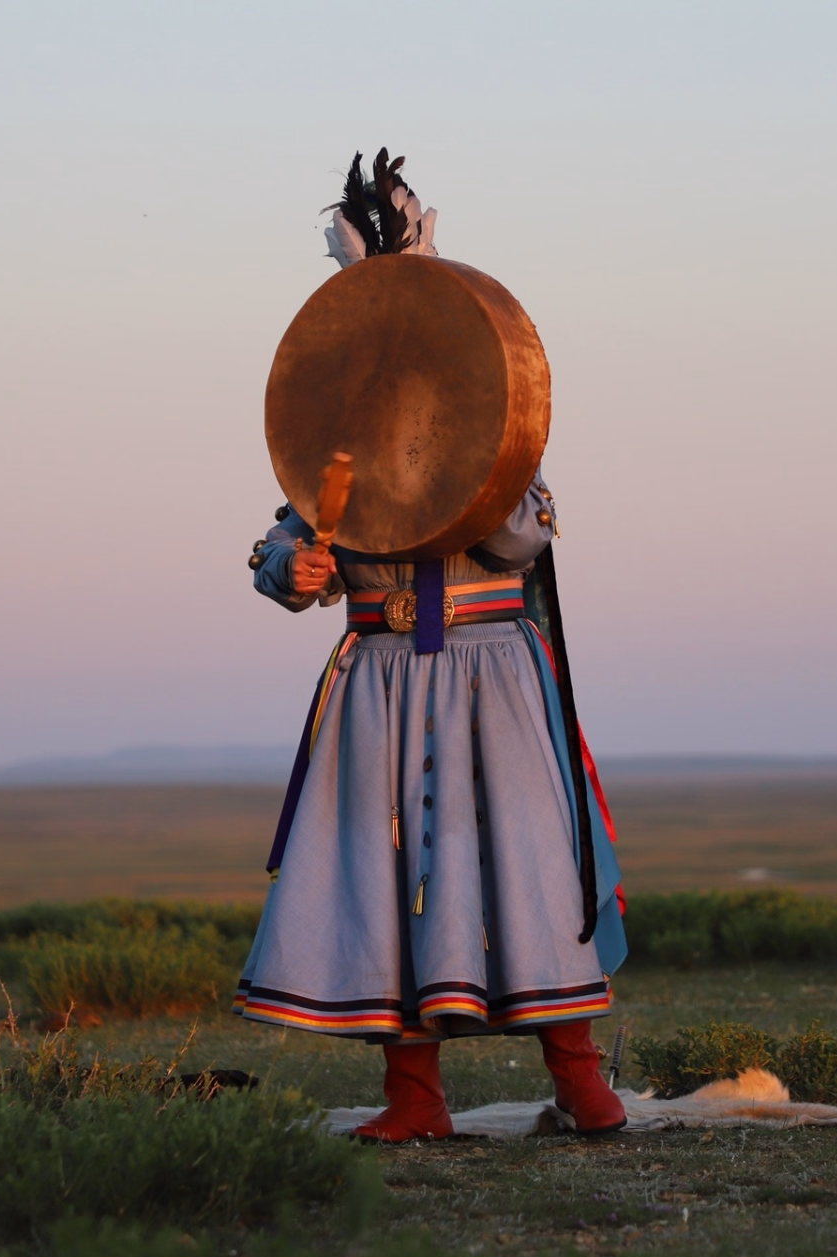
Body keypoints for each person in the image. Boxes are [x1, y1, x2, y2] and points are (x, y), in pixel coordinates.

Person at [234, 151, 627, 1141]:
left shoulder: (488, 398)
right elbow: (288, 537)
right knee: (380, 868)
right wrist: (299, 568)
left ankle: (581, 1081)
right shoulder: (331, 417)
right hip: (379, 670)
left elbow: (521, 533)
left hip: (494, 667)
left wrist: (469, 469)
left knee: (530, 863)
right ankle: (415, 1095)